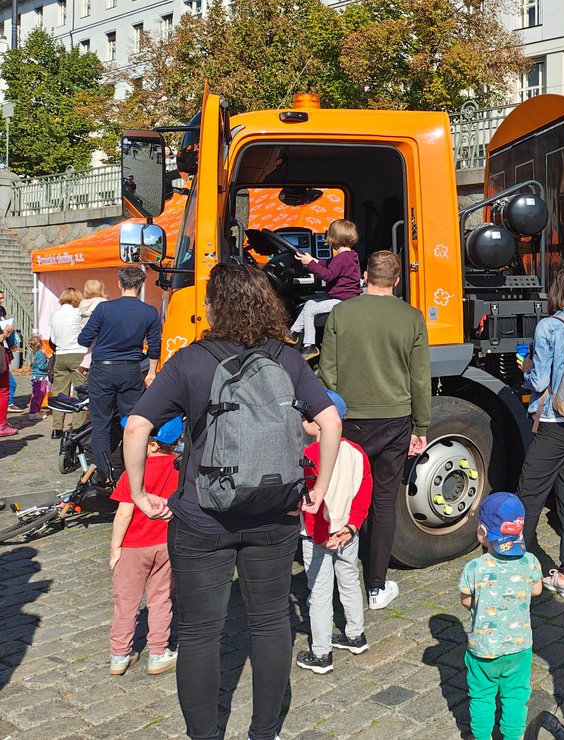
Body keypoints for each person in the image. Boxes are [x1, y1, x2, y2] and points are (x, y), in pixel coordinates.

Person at [122, 264, 341, 740]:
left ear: (213, 308)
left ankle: (205, 735)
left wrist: (139, 493)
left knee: (201, 633)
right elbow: (330, 422)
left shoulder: (190, 360)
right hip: (274, 513)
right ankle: (264, 732)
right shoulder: (287, 359)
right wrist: (319, 487)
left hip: (203, 518)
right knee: (269, 622)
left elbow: (137, 426)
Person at [319, 250, 430, 611]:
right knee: (383, 501)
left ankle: (337, 577)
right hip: (396, 419)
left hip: (350, 418)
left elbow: (328, 369)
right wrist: (421, 425)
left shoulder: (341, 312)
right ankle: (377, 587)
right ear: (397, 280)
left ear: (365, 274)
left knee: (344, 494)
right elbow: (419, 378)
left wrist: (330, 417)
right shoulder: (411, 317)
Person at [516, 268, 564, 599]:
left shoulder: (548, 326)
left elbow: (540, 381)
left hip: (553, 423)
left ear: (556, 293)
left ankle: (520, 570)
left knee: (528, 496)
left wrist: (525, 366)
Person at [296, 389, 374, 675]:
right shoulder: (357, 452)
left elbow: (311, 502)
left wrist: (322, 536)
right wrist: (352, 526)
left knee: (318, 590)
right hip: (347, 532)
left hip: (318, 535)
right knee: (350, 578)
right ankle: (356, 635)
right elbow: (363, 491)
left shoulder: (308, 455)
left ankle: (321, 653)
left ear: (318, 423)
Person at [459, 492, 542, 740]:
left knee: (482, 696)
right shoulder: (530, 561)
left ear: (483, 533)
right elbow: (536, 589)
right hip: (519, 647)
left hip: (483, 649)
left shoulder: (475, 568)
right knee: (516, 695)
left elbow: (466, 600)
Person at [109, 415, 183, 677]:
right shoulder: (179, 469)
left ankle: (119, 655)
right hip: (165, 545)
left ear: (151, 445)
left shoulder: (135, 472)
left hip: (132, 547)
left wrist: (115, 547)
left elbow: (124, 514)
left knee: (126, 603)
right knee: (161, 599)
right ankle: (158, 652)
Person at [77, 267, 161, 485]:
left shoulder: (105, 309)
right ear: (141, 284)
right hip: (131, 369)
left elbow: (83, 339)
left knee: (101, 422)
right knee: (132, 423)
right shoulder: (150, 312)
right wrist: (151, 372)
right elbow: (154, 346)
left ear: (119, 283)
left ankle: (105, 475)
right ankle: (133, 473)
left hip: (102, 369)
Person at [290, 218, 362, 359]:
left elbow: (327, 275)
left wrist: (310, 264)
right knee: (310, 303)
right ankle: (293, 333)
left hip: (342, 301)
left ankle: (309, 346)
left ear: (332, 238)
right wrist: (314, 260)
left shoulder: (341, 258)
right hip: (347, 297)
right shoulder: (350, 255)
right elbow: (330, 264)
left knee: (310, 309)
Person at [48, 286, 89, 441]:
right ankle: (77, 428)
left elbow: (52, 338)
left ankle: (57, 428)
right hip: (78, 353)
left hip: (61, 354)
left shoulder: (55, 314)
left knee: (59, 392)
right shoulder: (78, 313)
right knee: (81, 392)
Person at [78, 278, 108, 371]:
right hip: (100, 333)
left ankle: (84, 365)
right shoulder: (103, 302)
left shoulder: (83, 303)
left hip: (85, 331)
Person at [26, 333, 50, 419]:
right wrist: (50, 365)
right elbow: (42, 366)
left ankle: (36, 410)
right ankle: (33, 413)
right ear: (40, 344)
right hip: (41, 378)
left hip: (36, 377)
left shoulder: (32, 354)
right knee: (39, 395)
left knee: (38, 395)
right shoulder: (40, 354)